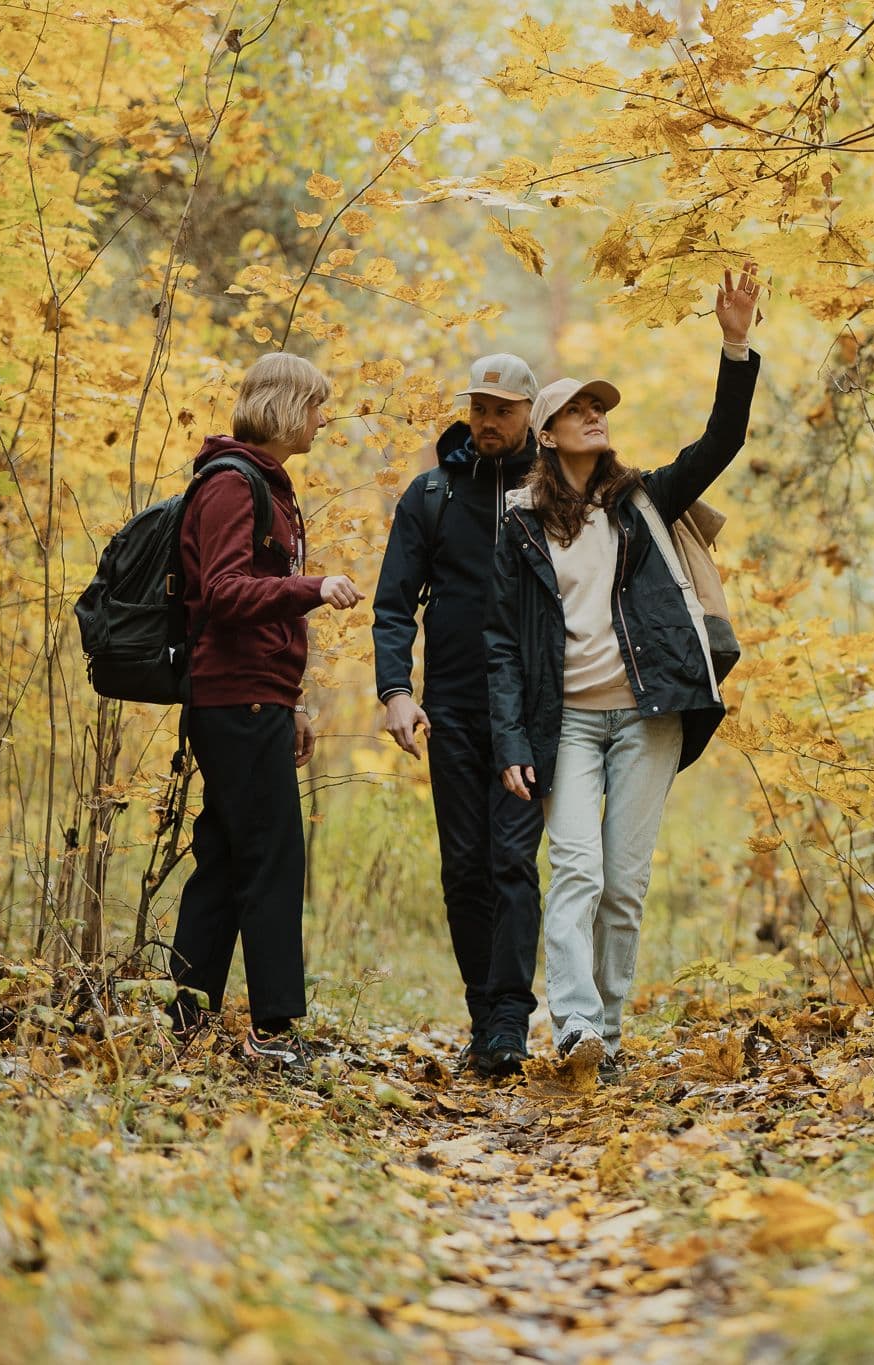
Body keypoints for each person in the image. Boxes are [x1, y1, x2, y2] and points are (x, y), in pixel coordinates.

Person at [486, 264, 763, 1076]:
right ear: (547, 434)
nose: (593, 416)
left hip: (650, 715)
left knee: (624, 882)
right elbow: (502, 641)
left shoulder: (644, 500)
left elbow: (722, 441)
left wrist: (735, 341)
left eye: (598, 406)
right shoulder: (520, 525)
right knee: (573, 865)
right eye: (576, 409)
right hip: (565, 719)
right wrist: (510, 739)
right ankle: (570, 1025)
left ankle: (607, 1033)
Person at [169, 351, 360, 1067]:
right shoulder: (231, 485)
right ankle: (272, 1031)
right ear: (284, 405)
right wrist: (312, 586)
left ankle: (187, 1017)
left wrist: (295, 700)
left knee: (224, 857)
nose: (322, 418)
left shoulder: (271, 490)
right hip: (231, 696)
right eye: (316, 404)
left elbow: (261, 607)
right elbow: (222, 593)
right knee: (274, 859)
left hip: (258, 697)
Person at [372, 354, 547, 1077]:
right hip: (450, 710)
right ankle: (485, 1013)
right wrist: (396, 692)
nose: (487, 420)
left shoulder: (553, 493)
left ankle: (510, 1017)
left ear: (531, 412)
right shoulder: (432, 494)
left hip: (530, 717)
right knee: (464, 868)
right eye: (479, 406)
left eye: (503, 408)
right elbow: (392, 604)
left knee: (513, 860)